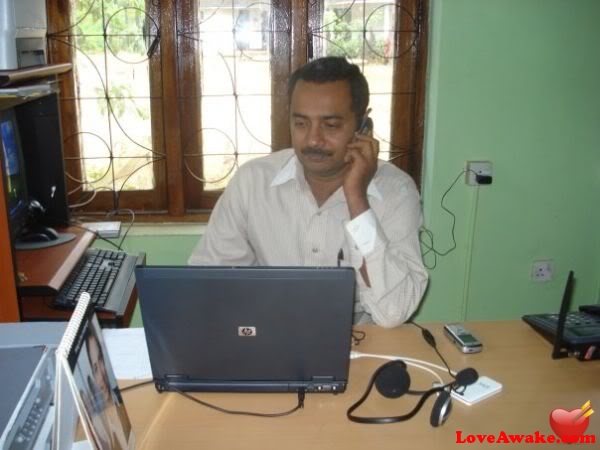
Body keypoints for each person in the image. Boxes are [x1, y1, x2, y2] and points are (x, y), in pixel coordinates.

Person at [188, 56, 428, 328]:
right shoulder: (252, 182)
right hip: (268, 334)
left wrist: (357, 199)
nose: (313, 139)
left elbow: (395, 311)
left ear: (363, 126)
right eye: (301, 123)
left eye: (331, 125)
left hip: (359, 343)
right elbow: (207, 283)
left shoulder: (396, 191)